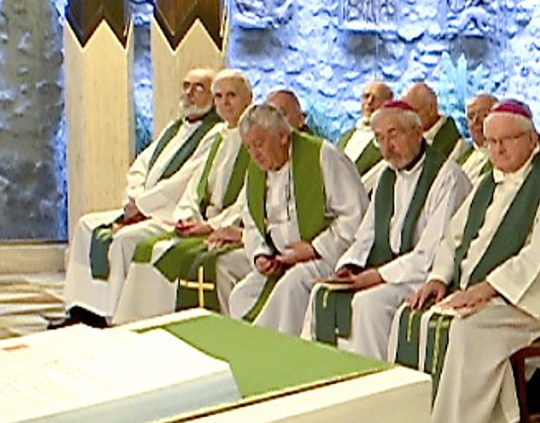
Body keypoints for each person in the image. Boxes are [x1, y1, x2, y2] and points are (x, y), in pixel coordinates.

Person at [398, 99, 540, 423]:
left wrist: (488, 289)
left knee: (465, 331)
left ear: (531, 140)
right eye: (491, 142)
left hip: (530, 301)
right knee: (411, 317)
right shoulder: (486, 183)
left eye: (507, 140)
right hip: (480, 292)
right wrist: (440, 279)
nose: (497, 149)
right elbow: (452, 239)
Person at [303, 100, 468, 358]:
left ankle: (379, 383)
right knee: (322, 295)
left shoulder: (447, 177)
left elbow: (431, 252)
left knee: (370, 304)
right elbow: (366, 234)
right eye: (379, 138)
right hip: (388, 270)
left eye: (394, 135)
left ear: (417, 131)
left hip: (421, 276)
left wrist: (378, 276)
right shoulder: (387, 176)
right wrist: (349, 266)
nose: (387, 148)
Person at [60, 65, 218, 325]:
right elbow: (142, 163)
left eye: (198, 88)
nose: (189, 94)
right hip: (143, 206)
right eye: (186, 86)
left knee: (124, 240)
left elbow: (185, 180)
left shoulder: (214, 133)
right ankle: (81, 308)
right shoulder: (175, 128)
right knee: (86, 224)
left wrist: (143, 206)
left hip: (169, 211)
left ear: (212, 98)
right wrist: (132, 198)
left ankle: (111, 316)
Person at [111, 70, 258, 320]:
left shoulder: (254, 139)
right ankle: (142, 325)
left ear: (249, 98)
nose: (225, 103)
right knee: (152, 252)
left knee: (168, 255)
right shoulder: (220, 137)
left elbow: (249, 196)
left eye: (232, 96)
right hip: (200, 221)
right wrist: (187, 216)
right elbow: (195, 187)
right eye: (219, 96)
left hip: (228, 225)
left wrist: (211, 226)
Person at [220, 99, 368, 323]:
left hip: (325, 258)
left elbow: (356, 214)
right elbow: (252, 224)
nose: (254, 154)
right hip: (279, 262)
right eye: (248, 147)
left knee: (293, 286)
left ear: (282, 136)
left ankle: (279, 355)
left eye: (259, 144)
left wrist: (314, 248)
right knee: (241, 295)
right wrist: (260, 254)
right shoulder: (257, 172)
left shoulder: (322, 157)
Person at [339, 78, 393, 170]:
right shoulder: (346, 136)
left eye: (375, 98)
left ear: (388, 103)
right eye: (366, 96)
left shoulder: (388, 142)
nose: (369, 102)